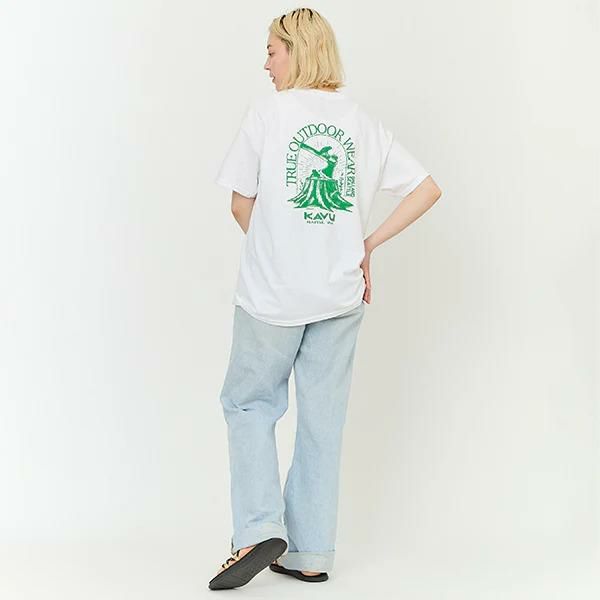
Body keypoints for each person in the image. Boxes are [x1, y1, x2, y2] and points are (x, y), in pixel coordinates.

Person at [208, 7, 442, 591]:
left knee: (248, 404)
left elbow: (240, 203)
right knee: (322, 420)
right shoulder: (359, 121)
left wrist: (278, 247)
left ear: (298, 50)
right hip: (340, 295)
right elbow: (426, 188)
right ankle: (311, 552)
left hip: (273, 296)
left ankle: (258, 529)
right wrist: (366, 245)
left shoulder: (269, 113)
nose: (265, 64)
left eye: (272, 51)